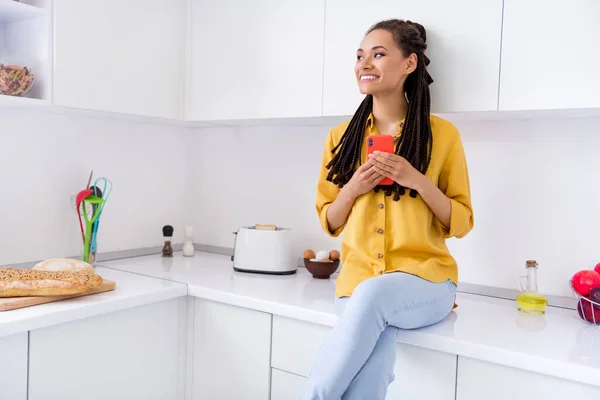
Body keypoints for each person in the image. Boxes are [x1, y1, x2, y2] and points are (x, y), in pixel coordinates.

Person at [301, 19, 474, 400]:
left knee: (372, 297)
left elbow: (461, 221)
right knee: (372, 373)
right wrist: (354, 188)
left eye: (379, 54)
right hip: (358, 286)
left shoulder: (442, 135)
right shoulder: (341, 138)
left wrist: (417, 180)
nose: (365, 63)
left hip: (426, 283)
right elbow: (329, 220)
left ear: (409, 64)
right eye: (360, 56)